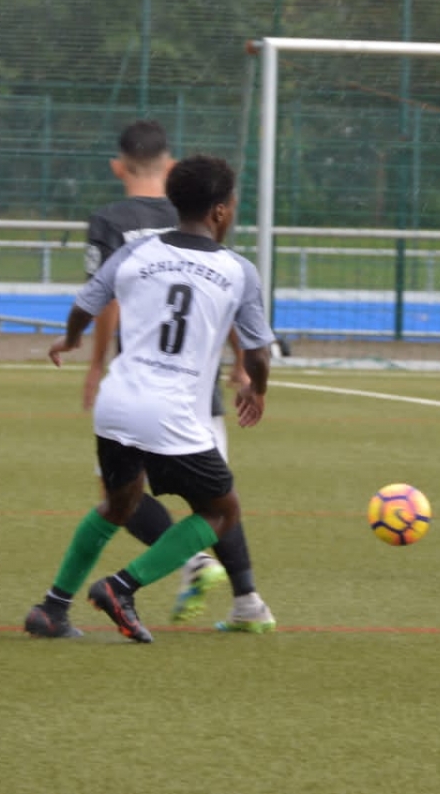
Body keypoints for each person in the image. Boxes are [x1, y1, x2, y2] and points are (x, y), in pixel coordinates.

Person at [25, 154, 274, 644]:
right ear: (221, 211)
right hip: (171, 413)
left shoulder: (135, 252)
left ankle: (52, 608)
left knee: (118, 505)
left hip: (116, 403)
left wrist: (71, 341)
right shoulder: (237, 270)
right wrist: (256, 388)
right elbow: (259, 352)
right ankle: (122, 587)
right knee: (221, 512)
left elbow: (86, 303)